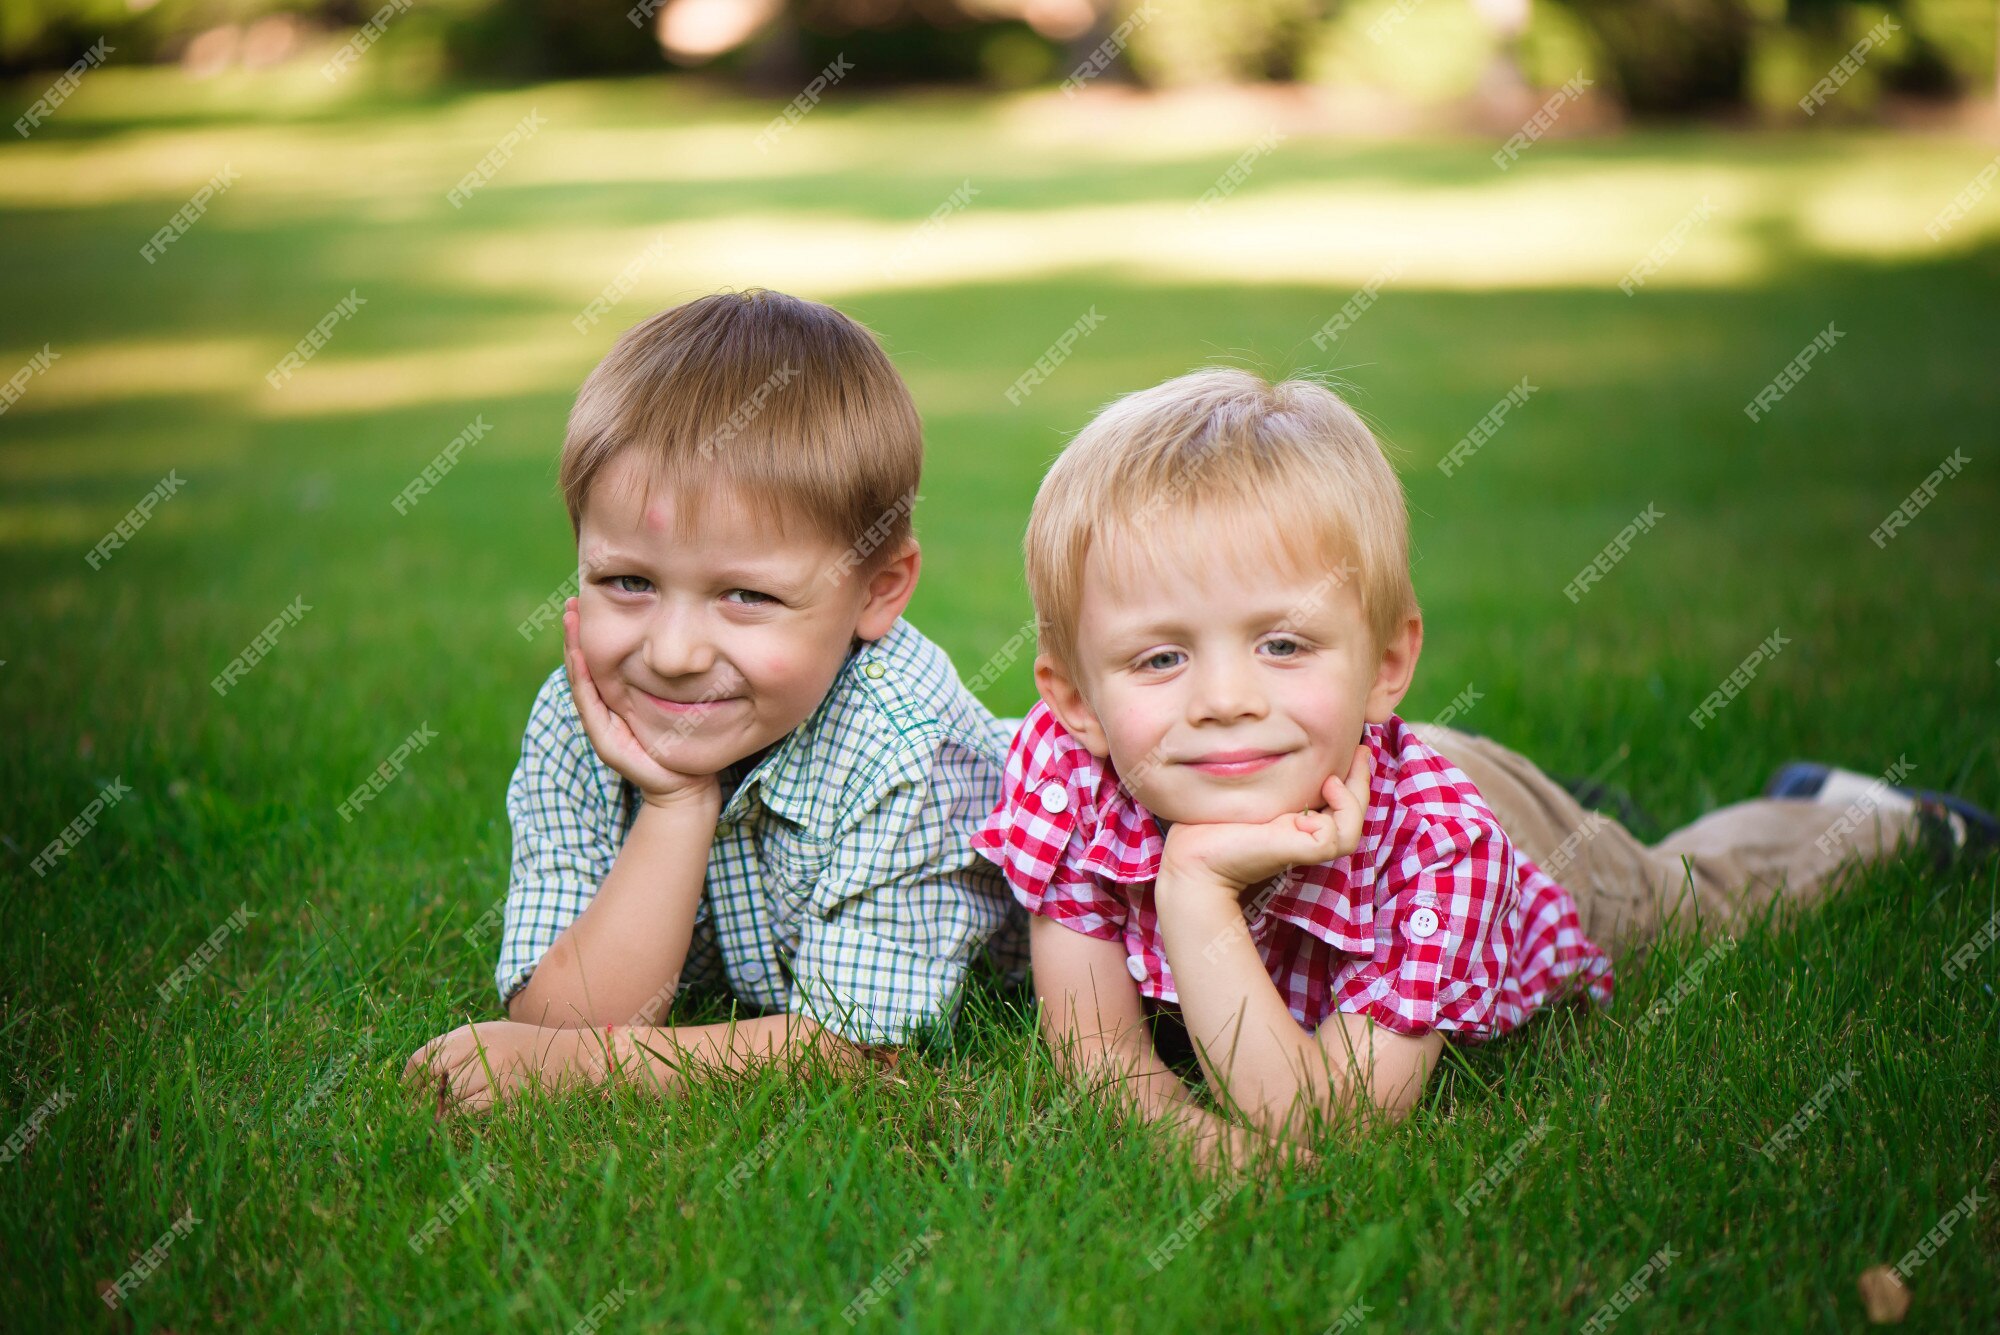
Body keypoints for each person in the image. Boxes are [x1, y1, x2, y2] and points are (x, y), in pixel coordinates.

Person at [972, 367, 1985, 1171]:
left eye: (1282, 645)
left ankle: (1860, 815)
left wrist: (1190, 889)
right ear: (1074, 700)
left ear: (1387, 664)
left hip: (1510, 830)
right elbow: (1101, 1057)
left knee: (1687, 898)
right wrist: (1209, 1157)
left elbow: (1322, 1126)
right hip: (1338, 766)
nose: (1224, 698)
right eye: (1160, 658)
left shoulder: (1444, 857)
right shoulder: (1069, 777)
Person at [407, 290, 1021, 1111]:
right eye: (628, 582)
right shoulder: (580, 716)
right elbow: (561, 1019)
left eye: (746, 596)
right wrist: (674, 803)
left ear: (879, 592)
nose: (672, 654)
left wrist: (575, 1074)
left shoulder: (910, 745)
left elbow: (859, 1044)